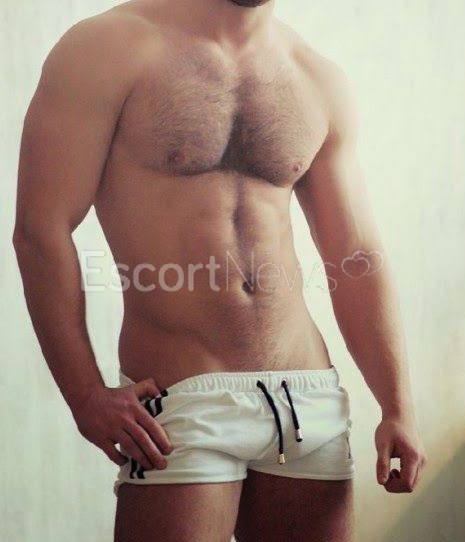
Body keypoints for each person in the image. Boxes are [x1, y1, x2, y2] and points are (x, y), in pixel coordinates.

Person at [13, 0, 427, 540]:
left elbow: (354, 252)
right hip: (182, 397)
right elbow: (40, 229)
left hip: (308, 396)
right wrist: (84, 393)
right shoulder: (106, 48)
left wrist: (397, 405)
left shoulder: (315, 76)